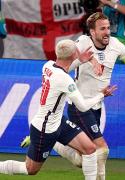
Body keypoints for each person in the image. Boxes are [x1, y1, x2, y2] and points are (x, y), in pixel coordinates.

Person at [21, 12, 125, 180]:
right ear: (92, 32)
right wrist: (89, 61)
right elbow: (61, 67)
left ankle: (54, 143)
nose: (107, 32)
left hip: (96, 106)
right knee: (102, 150)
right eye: (102, 29)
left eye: (108, 28)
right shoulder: (82, 43)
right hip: (79, 105)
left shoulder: (117, 45)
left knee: (82, 159)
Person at [0, 39, 116, 180]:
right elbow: (83, 106)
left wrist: (81, 60)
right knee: (30, 169)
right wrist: (101, 95)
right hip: (45, 130)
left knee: (90, 149)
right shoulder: (65, 80)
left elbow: (65, 67)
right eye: (77, 50)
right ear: (73, 55)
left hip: (58, 121)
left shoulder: (48, 65)